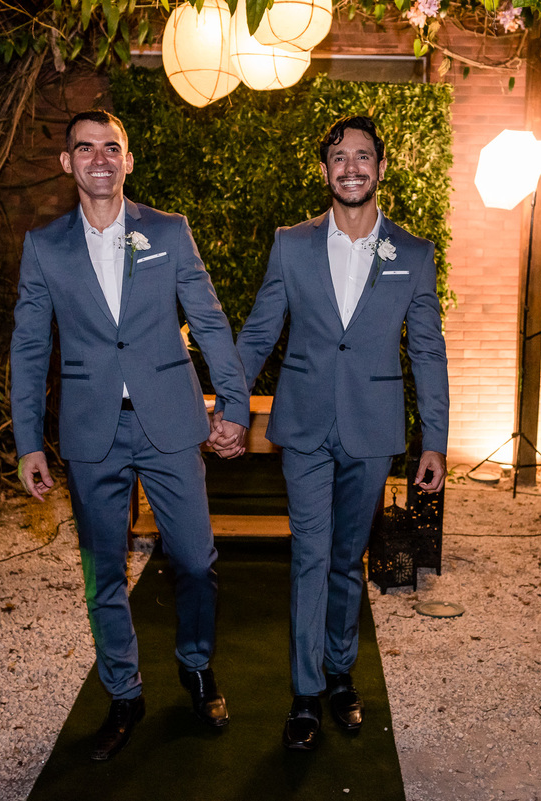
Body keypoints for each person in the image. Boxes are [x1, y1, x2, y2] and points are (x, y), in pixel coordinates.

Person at [10, 109, 251, 761]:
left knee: (196, 560)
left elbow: (209, 319)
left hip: (170, 419)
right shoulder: (45, 245)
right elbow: (29, 346)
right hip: (91, 428)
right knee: (103, 572)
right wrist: (28, 441)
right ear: (67, 162)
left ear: (128, 159)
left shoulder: (168, 231)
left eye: (111, 147)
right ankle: (124, 692)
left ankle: (195, 665)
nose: (100, 158)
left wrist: (233, 404)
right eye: (85, 148)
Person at [230, 115, 449, 751]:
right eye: (338, 157)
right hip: (303, 424)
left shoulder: (413, 253)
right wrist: (232, 407)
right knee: (310, 553)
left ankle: (339, 671)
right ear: (325, 170)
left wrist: (434, 439)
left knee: (349, 556)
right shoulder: (292, 243)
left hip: (372, 427)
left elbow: (427, 349)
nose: (351, 167)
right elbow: (259, 331)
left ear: (381, 168)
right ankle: (304, 694)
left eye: (362, 157)